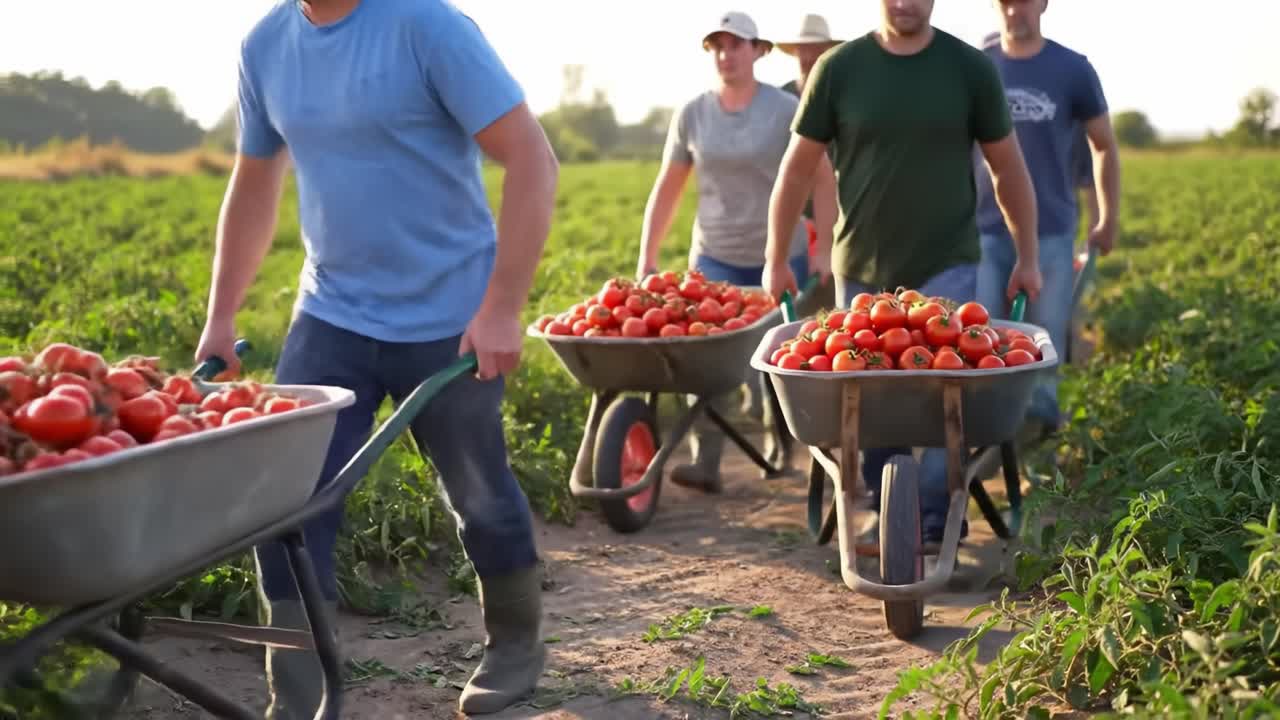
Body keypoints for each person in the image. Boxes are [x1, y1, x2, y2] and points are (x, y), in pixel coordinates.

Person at [196, 0, 559, 716]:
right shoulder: (265, 44)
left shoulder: (427, 25)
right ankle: (297, 691)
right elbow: (255, 181)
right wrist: (221, 315)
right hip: (331, 312)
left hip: (450, 314)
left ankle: (515, 643)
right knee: (284, 501)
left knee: (478, 492)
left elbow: (531, 157)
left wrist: (501, 308)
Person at [764, 0, 1043, 544]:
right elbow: (796, 170)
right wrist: (776, 256)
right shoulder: (839, 69)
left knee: (947, 395)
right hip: (863, 265)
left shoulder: (969, 68)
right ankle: (884, 498)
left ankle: (938, 511)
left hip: (948, 265)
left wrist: (1027, 256)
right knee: (865, 402)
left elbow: (1008, 169)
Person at [637, 10, 837, 493]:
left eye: (737, 45)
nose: (727, 55)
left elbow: (822, 176)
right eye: (718, 46)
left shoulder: (784, 110)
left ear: (759, 51)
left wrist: (824, 246)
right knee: (705, 355)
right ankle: (706, 460)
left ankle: (778, 444)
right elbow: (668, 187)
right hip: (714, 255)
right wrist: (648, 256)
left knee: (771, 355)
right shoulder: (692, 113)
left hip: (777, 253)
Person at [974, 0, 1119, 436]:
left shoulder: (1071, 69)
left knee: (1042, 341)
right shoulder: (977, 68)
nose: (1015, 10)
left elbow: (1104, 145)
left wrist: (1107, 216)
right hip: (982, 230)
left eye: (1024, 1)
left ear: (1043, 5)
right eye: (1005, 2)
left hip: (1052, 230)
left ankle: (1038, 441)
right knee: (979, 339)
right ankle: (984, 433)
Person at [776, 13, 843, 315]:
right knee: (795, 301)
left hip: (837, 213)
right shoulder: (782, 99)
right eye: (802, 49)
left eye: (815, 49)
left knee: (830, 296)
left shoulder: (841, 99)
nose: (808, 56)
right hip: (796, 215)